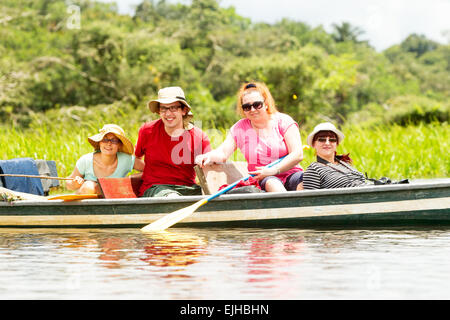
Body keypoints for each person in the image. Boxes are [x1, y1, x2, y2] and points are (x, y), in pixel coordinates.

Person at [195, 82, 303, 192]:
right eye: (247, 107)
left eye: (257, 105)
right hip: (264, 178)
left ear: (266, 103)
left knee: (304, 182)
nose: (252, 110)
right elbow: (223, 153)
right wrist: (207, 156)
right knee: (273, 183)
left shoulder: (283, 121)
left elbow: (297, 154)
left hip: (292, 173)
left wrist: (274, 170)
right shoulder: (239, 128)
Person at [135, 86, 211, 197]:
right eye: (163, 109)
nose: (168, 113)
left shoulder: (199, 136)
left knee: (210, 196)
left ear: (184, 110)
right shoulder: (147, 131)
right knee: (172, 197)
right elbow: (136, 158)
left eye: (173, 108)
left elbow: (210, 168)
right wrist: (151, 170)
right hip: (156, 188)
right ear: (158, 111)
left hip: (187, 188)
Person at [66, 124, 145, 195]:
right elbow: (68, 184)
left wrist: (128, 179)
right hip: (86, 203)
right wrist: (74, 184)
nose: (109, 143)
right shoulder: (86, 160)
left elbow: (149, 170)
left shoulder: (127, 160)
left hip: (114, 201)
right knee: (88, 186)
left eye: (114, 140)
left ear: (119, 145)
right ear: (99, 142)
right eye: (105, 139)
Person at [297, 122, 367, 190]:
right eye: (322, 140)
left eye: (332, 140)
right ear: (314, 144)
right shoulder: (314, 170)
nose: (327, 143)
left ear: (336, 144)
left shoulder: (344, 164)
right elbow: (310, 200)